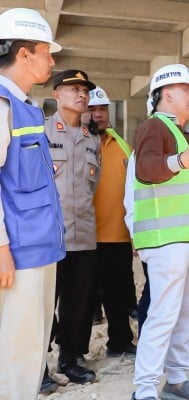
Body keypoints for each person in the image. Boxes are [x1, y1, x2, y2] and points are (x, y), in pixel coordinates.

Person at [131, 63, 189, 400]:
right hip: (167, 240)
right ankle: (144, 389)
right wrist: (180, 161)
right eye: (188, 90)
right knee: (164, 315)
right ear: (167, 93)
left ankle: (177, 380)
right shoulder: (154, 126)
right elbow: (146, 168)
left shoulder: (187, 136)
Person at [0, 8, 66, 399]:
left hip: (38, 247)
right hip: (18, 253)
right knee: (16, 358)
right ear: (24, 54)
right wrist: (1, 249)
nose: (52, 61)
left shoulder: (25, 105)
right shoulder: (2, 104)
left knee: (31, 354)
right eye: (46, 52)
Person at [45, 68, 101, 385]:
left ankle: (70, 359)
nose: (81, 94)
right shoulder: (42, 132)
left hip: (83, 234)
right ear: (56, 94)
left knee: (78, 303)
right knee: (42, 304)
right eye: (74, 89)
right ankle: (37, 366)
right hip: (49, 236)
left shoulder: (92, 140)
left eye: (85, 90)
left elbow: (93, 185)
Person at [88, 86, 137, 358]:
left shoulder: (122, 145)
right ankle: (73, 354)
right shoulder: (77, 142)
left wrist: (134, 234)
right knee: (83, 300)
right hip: (85, 238)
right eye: (92, 109)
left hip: (118, 235)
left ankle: (119, 343)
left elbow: (134, 191)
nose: (98, 114)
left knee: (118, 295)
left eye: (103, 109)